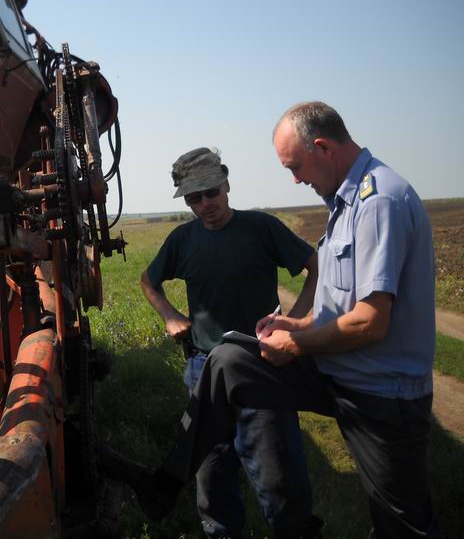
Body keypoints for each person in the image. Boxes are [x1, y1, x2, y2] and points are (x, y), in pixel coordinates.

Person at [150, 102, 440, 538]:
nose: (295, 179)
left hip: (382, 391)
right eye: (194, 197)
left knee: (396, 521)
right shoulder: (343, 203)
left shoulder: (377, 201)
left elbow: (371, 323)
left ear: (322, 148)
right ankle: (169, 480)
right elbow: (343, 307)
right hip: (337, 371)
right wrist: (296, 326)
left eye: (296, 166)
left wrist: (297, 339)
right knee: (226, 367)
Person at [136, 147, 321, 539]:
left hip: (261, 366)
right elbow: (148, 281)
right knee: (212, 469)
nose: (205, 204)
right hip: (204, 368)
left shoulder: (260, 228)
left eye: (211, 193)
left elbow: (314, 265)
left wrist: (296, 325)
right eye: (193, 198)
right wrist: (171, 316)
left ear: (226, 184)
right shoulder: (182, 240)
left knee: (278, 468)